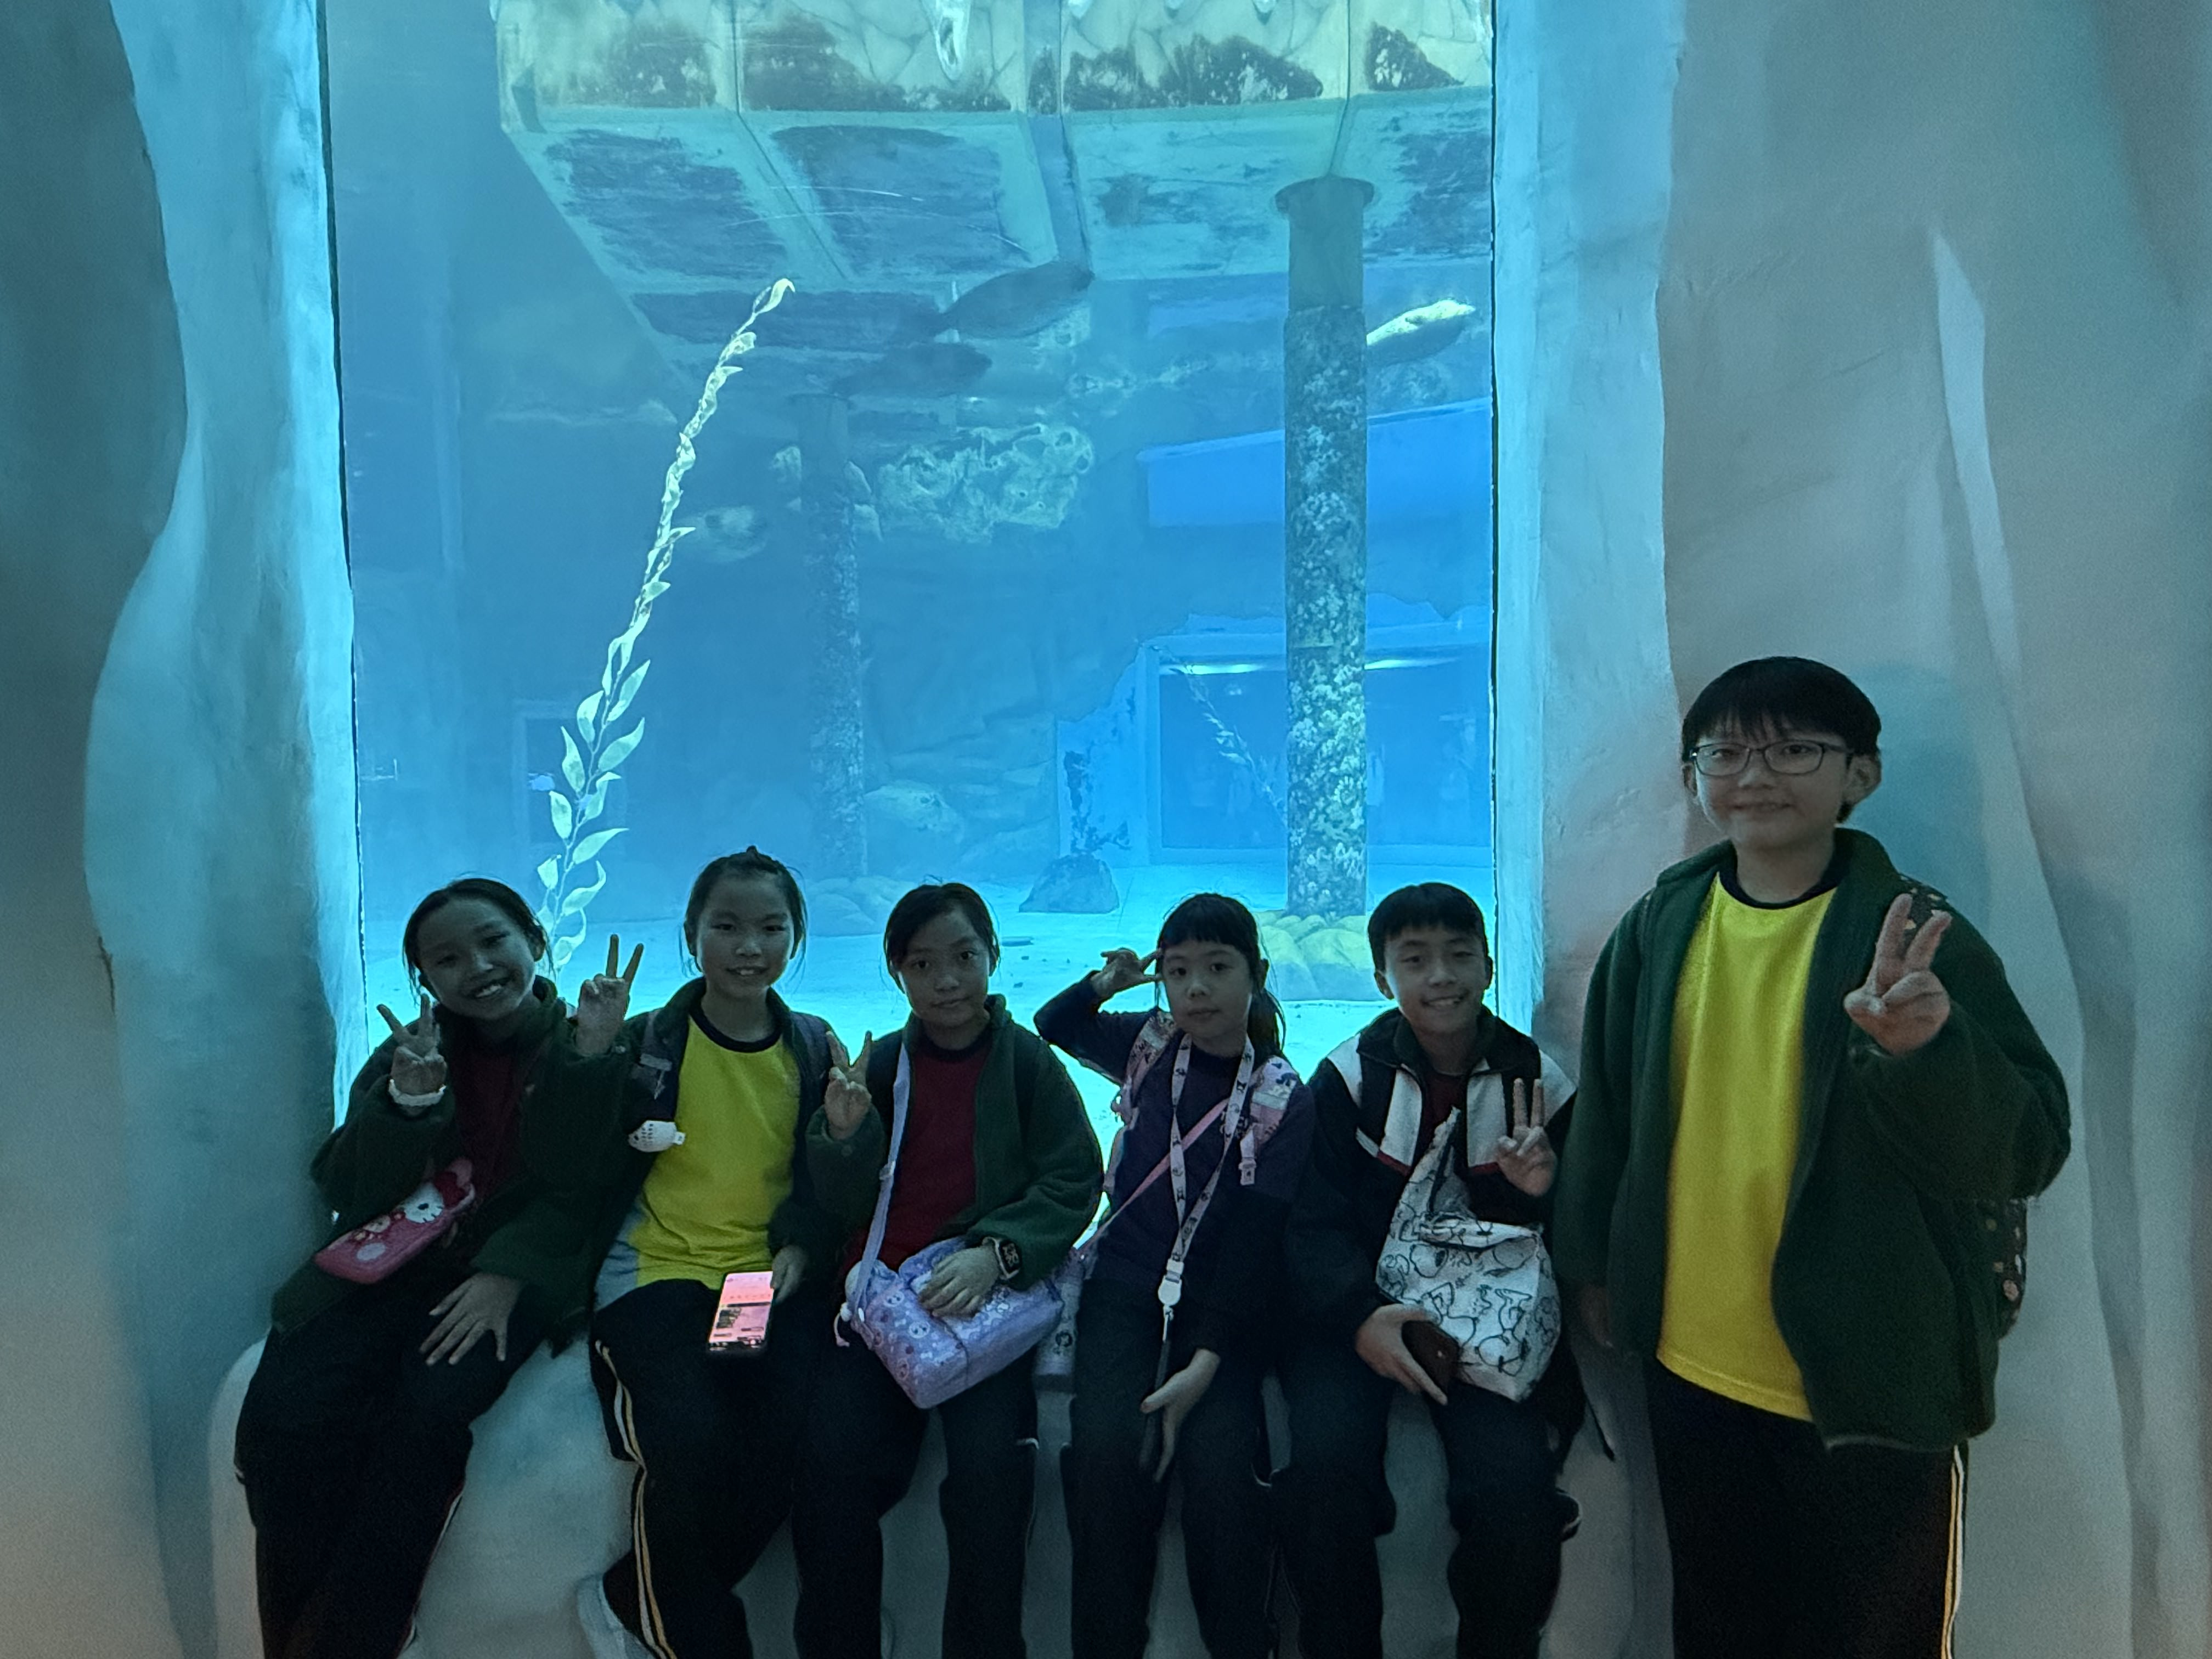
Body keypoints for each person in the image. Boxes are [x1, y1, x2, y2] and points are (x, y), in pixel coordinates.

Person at [1552, 656, 2071, 1659]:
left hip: (1871, 1365)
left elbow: (2027, 1146)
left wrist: (1926, 1050)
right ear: (1692, 777)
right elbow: (1608, 1111)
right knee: (1721, 1624)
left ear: (1859, 775)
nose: (1755, 774)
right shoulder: (1662, 924)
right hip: (1695, 1353)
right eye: (1726, 752)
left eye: (1794, 749)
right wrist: (1595, 1267)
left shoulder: (1914, 933)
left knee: (1876, 1633)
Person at [234, 878, 630, 1659]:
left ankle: (354, 1639)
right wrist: (407, 1107)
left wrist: (508, 1273)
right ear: (423, 978)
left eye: (493, 941)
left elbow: (584, 1186)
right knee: (286, 1420)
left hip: (508, 1274)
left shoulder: (584, 1042)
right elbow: (350, 1191)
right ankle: (303, 1642)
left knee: (421, 1418)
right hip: (398, 1265)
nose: (476, 967)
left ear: (534, 941)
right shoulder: (412, 1052)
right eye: (446, 959)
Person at [791, 882, 1104, 1659]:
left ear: (993, 955)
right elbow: (839, 1203)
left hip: (981, 1304)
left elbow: (1074, 1176)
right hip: (884, 1306)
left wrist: (997, 1252)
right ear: (897, 973)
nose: (948, 981)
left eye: (964, 957)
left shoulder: (1027, 1061)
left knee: (992, 1479)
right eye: (923, 965)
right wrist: (842, 1136)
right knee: (831, 1470)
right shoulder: (881, 1066)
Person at [1278, 882, 1583, 1659]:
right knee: (1325, 1478)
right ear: (1384, 979)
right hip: (1357, 1314)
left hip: (1483, 1321)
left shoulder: (1536, 1080)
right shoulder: (1350, 1076)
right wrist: (1359, 1317)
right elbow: (1310, 1220)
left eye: (1459, 955)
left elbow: (1574, 1227)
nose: (1440, 976)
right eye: (1414, 960)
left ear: (1489, 967)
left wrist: (1543, 1192)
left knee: (1514, 1491)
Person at [573, 849, 853, 1659]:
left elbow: (822, 1186)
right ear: (692, 932)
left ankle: (635, 1598)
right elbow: (575, 1156)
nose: (749, 947)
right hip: (656, 1272)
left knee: (773, 1440)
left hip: (752, 1286)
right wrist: (590, 1054)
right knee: (689, 1438)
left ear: (796, 937)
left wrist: (803, 1242)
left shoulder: (811, 1048)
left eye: (771, 928)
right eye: (726, 926)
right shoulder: (649, 1041)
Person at [1034, 893, 1316, 1659]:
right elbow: (1054, 1025)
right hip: (1124, 1281)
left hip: (1219, 1304)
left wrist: (1207, 1359)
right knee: (1104, 1457)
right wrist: (1108, 984)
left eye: (1218, 968)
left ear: (1257, 974)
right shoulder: (1151, 1042)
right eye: (1179, 971)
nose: (1196, 989)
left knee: (1222, 1472)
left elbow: (1257, 1243)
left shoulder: (1282, 1096)